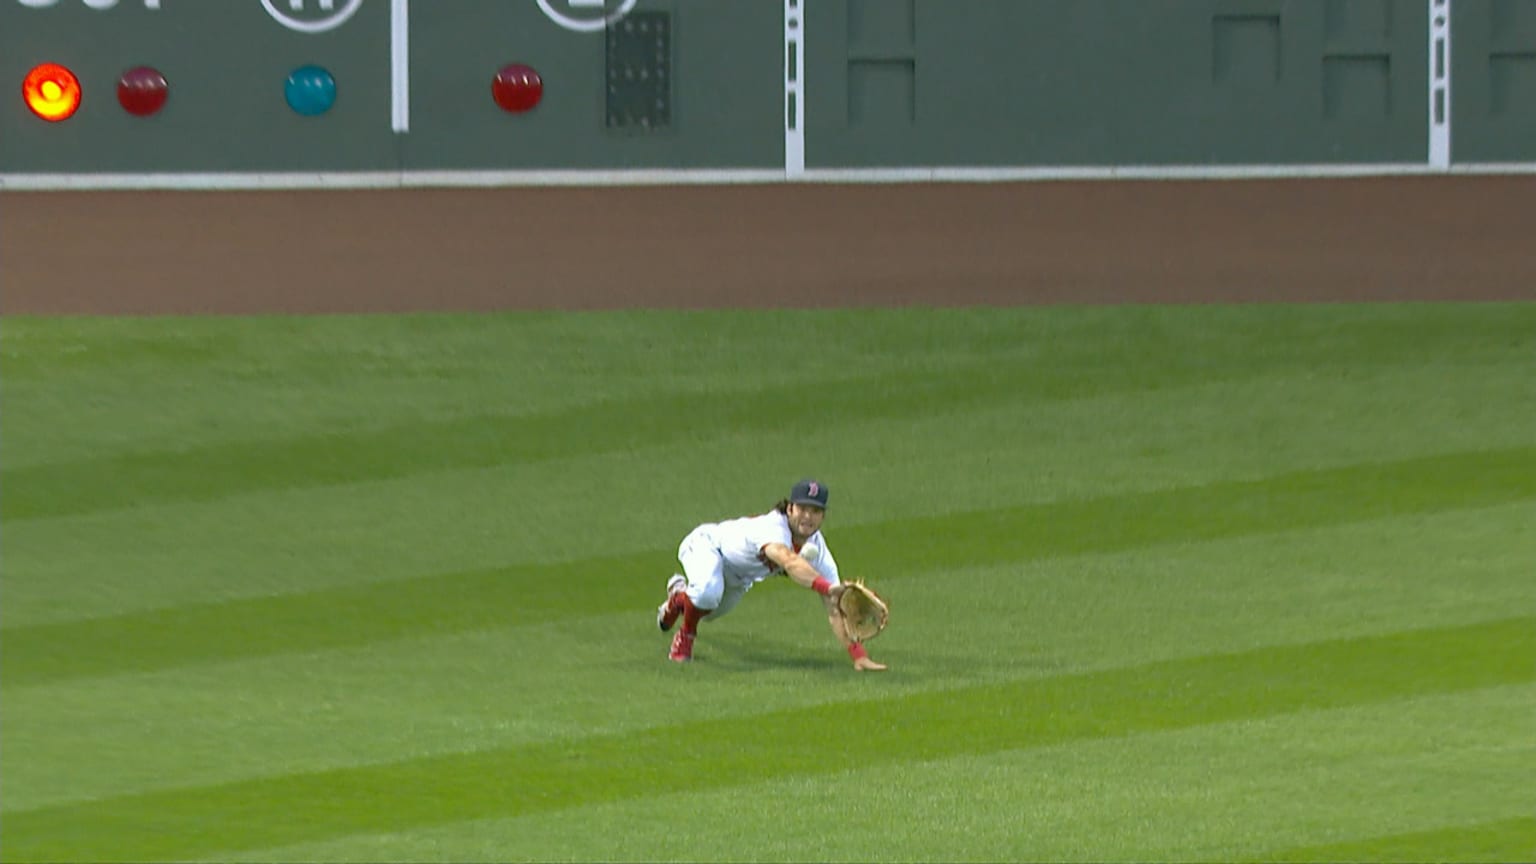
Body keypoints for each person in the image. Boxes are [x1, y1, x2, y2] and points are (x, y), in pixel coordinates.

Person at [655, 479, 888, 671]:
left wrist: (858, 655)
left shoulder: (820, 552)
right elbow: (787, 560)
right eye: (802, 508)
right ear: (789, 509)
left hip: (740, 579)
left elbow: (834, 608)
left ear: (823, 516)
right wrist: (827, 587)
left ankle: (678, 595)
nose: (808, 516)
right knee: (707, 594)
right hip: (708, 547)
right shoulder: (773, 527)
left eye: (815, 511)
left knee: (707, 612)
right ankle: (685, 637)